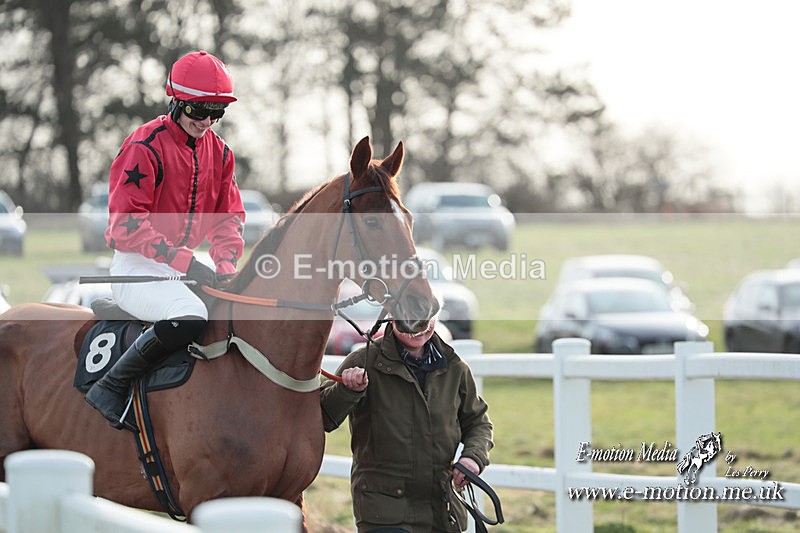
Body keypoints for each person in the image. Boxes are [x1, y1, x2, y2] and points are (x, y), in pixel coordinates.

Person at [85, 50, 245, 430]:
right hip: (136, 265)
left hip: (183, 266)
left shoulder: (221, 154)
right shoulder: (144, 146)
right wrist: (185, 262)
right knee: (191, 316)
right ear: (175, 101)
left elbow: (228, 220)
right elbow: (125, 226)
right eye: (198, 110)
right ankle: (111, 386)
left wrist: (225, 266)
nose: (206, 121)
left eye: (216, 112)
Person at [320, 317, 493, 532]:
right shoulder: (364, 360)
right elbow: (324, 417)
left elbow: (478, 422)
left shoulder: (454, 366)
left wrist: (473, 458)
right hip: (384, 512)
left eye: (425, 316)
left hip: (442, 511)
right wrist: (347, 390)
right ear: (391, 316)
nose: (417, 325)